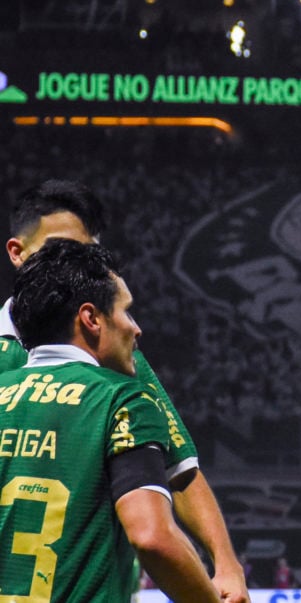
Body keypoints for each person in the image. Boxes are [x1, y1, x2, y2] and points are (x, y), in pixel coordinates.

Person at [0, 179, 249, 602]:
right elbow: (152, 533)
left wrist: (225, 563)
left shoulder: (118, 363)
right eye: (62, 247)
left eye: (86, 251)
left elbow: (178, 467)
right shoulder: (114, 386)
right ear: (16, 253)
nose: (75, 262)